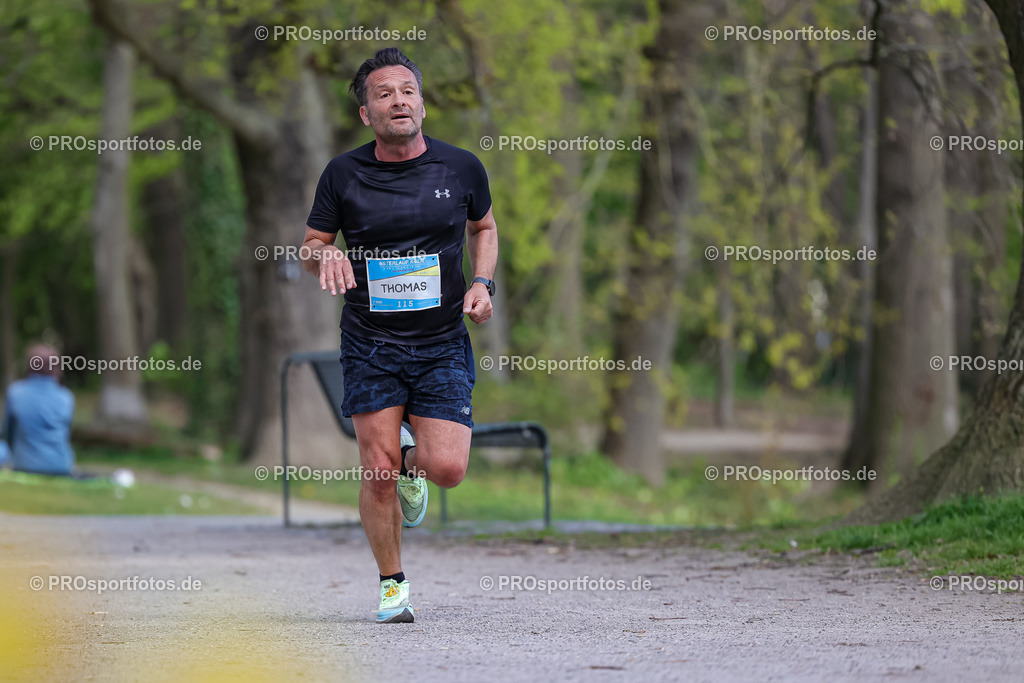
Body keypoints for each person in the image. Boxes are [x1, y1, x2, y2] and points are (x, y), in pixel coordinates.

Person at [300, 48, 498, 623]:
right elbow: (310, 245)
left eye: (407, 90)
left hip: (440, 341)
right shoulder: (343, 173)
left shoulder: (460, 168)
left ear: (423, 103)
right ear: (367, 115)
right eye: (384, 94)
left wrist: (483, 283)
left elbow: (484, 226)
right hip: (369, 340)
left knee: (449, 469)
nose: (398, 101)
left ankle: (416, 465)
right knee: (376, 467)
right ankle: (393, 584)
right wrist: (325, 255)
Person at [2, 344, 77, 476]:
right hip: (61, 466)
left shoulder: (15, 393)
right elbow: (66, 434)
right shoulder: (66, 397)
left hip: (25, 465)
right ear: (56, 369)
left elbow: (8, 433)